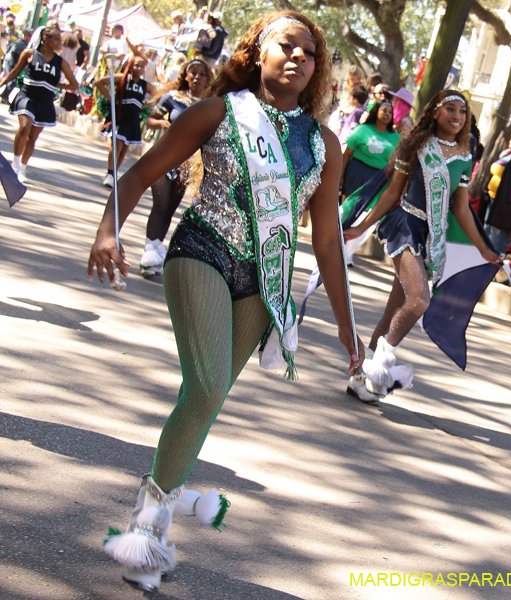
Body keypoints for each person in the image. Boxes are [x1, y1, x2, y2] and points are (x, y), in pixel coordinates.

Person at [87, 11, 363, 591]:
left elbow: (327, 240)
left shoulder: (325, 144)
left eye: (309, 54)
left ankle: (158, 506)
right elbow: (139, 174)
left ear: (317, 69)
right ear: (256, 53)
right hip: (203, 250)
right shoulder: (217, 111)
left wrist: (346, 324)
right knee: (208, 383)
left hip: (264, 278)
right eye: (286, 47)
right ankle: (157, 517)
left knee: (205, 400)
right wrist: (109, 230)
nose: (298, 58)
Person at [343, 90, 502, 400]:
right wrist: (362, 226)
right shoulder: (413, 145)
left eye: (462, 111)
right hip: (403, 226)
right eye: (450, 109)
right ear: (434, 112)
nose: (457, 116)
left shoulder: (465, 156)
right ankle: (383, 364)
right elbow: (391, 193)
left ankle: (359, 377)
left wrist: (484, 249)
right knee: (419, 299)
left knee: (393, 313)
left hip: (430, 236)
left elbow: (460, 208)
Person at [139, 59, 213, 277]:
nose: (197, 77)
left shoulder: (210, 104)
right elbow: (150, 120)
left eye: (202, 74)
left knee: (170, 210)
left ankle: (155, 252)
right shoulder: (172, 98)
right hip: (164, 158)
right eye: (193, 73)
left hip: (187, 166)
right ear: (186, 76)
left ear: (208, 78)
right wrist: (162, 124)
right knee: (159, 206)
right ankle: (149, 252)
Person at [0, 26, 78, 183]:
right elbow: (15, 72)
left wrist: (54, 85)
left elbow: (74, 84)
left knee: (32, 138)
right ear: (45, 39)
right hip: (27, 96)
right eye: (56, 39)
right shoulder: (29, 54)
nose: (59, 42)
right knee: (24, 127)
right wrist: (1, 83)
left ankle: (23, 167)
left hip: (44, 101)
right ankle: (14, 166)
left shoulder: (60, 62)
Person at [96, 55, 158, 187]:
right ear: (130, 65)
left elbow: (158, 95)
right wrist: (110, 98)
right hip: (120, 116)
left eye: (142, 66)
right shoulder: (123, 79)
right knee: (116, 145)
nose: (139, 68)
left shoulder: (144, 85)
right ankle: (110, 174)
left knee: (124, 149)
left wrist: (146, 105)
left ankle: (113, 174)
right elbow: (99, 82)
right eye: (136, 65)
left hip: (133, 118)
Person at [340, 100, 399, 199]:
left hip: (378, 178)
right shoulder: (362, 129)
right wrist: (340, 176)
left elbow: (396, 162)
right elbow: (347, 154)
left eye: (390, 112)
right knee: (348, 209)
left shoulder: (396, 137)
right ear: (376, 112)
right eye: (384, 110)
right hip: (356, 174)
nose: (387, 114)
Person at [0, 28, 31, 104]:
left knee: (10, 80)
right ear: (26, 35)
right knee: (11, 80)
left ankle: (4, 95)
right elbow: (14, 54)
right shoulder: (19, 43)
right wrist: (16, 64)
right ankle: (4, 96)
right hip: (11, 62)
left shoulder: (25, 44)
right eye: (30, 35)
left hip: (13, 63)